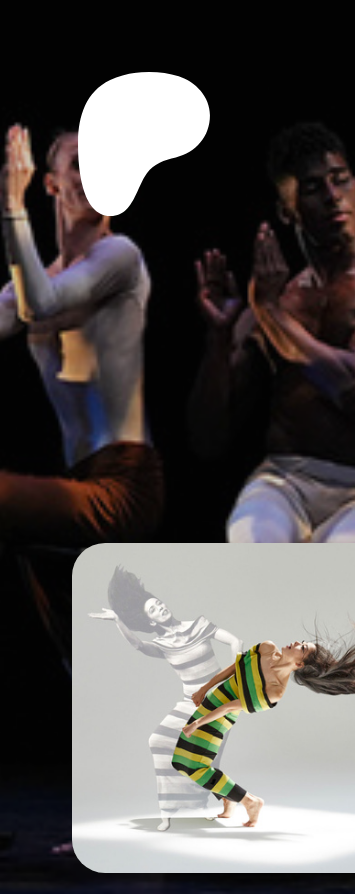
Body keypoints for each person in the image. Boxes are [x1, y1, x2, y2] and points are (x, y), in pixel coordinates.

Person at [188, 121, 355, 552]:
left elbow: (352, 387)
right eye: (311, 187)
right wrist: (219, 337)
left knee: (340, 576)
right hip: (283, 482)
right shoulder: (278, 300)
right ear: (287, 211)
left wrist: (270, 314)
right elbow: (207, 440)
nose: (331, 195)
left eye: (340, 180)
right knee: (254, 547)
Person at [0, 124, 163, 639]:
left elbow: (42, 305)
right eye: (79, 163)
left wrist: (12, 205)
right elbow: (30, 295)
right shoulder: (33, 281)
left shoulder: (120, 256)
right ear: (51, 184)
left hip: (124, 484)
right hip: (74, 484)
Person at [173, 625, 355, 828]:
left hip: (216, 719)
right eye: (301, 642)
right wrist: (204, 689)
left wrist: (198, 723)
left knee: (190, 765)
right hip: (210, 705)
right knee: (185, 762)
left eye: (302, 648)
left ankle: (250, 801)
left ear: (300, 664)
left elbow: (230, 707)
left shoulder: (274, 691)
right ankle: (228, 798)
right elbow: (233, 669)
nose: (296, 643)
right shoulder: (266, 648)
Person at [90, 566, 245, 831]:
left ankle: (205, 805)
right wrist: (117, 620)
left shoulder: (198, 625)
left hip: (219, 701)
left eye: (159, 603)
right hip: (189, 703)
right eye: (153, 609)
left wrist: (236, 674)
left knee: (206, 758)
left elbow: (235, 641)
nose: (160, 607)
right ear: (151, 621)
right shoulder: (163, 645)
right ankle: (169, 810)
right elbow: (138, 646)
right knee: (158, 741)